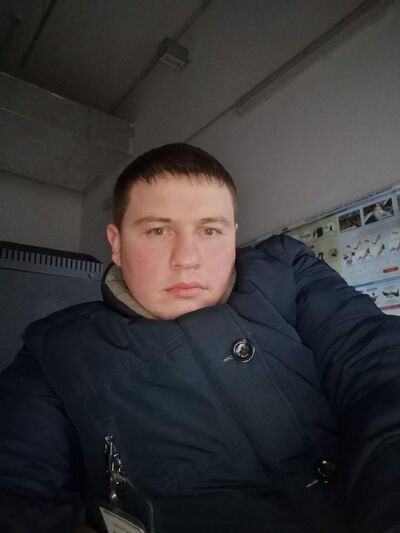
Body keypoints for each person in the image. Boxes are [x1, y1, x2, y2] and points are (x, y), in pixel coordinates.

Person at [0, 143, 400, 533]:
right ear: (117, 245)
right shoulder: (56, 350)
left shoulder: (288, 272)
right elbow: (17, 489)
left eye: (209, 230)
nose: (186, 258)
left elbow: (378, 366)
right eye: (158, 230)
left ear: (232, 235)